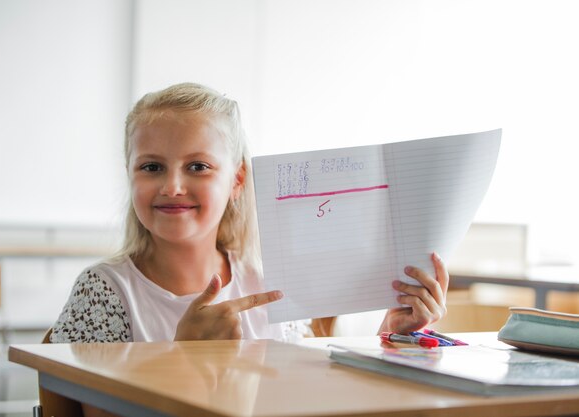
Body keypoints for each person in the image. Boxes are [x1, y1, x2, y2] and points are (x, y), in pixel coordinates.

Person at [51, 81, 448, 345]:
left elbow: (310, 396)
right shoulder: (104, 292)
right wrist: (183, 359)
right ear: (130, 175)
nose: (172, 186)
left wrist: (392, 335)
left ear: (237, 181)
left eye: (198, 166)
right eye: (151, 167)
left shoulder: (268, 285)